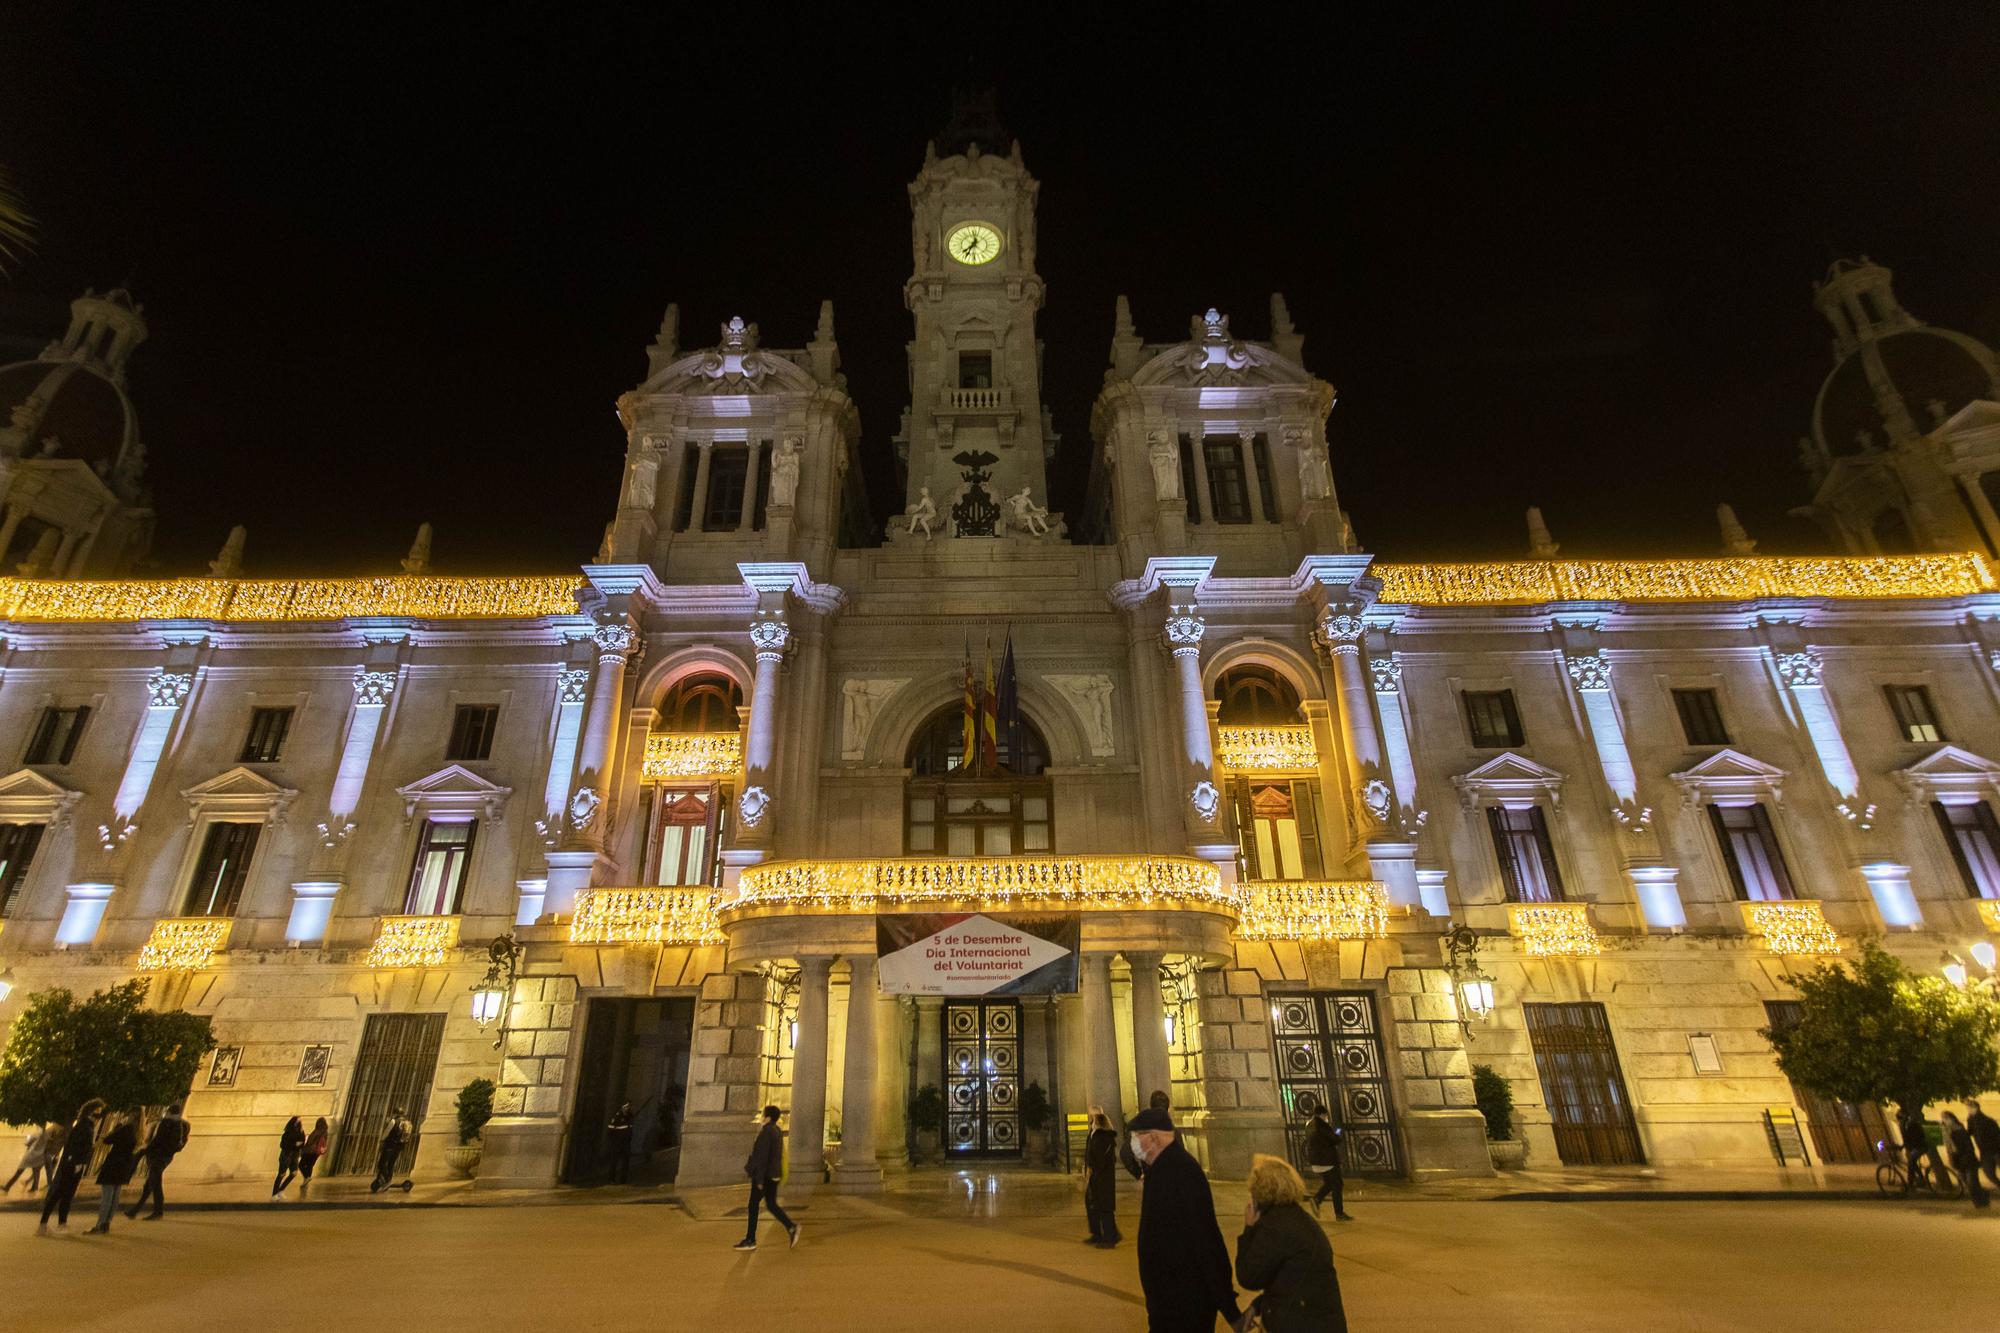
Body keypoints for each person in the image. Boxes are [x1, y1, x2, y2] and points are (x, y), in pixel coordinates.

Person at [1130, 1106, 1241, 1333]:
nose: (1133, 1143)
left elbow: (1206, 1240)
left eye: (1136, 1136)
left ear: (1152, 1138)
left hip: (1185, 1302)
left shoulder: (1183, 1172)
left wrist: (1229, 1308)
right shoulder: (1159, 1170)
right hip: (1166, 1302)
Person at [1235, 1154, 1348, 1332]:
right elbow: (1293, 1282)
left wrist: (1248, 1230)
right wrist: (1258, 1306)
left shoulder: (1274, 1226)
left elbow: (1248, 1277)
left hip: (1298, 1324)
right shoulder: (1300, 1219)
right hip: (1319, 1321)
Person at [734, 1104, 797, 1252]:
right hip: (773, 1174)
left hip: (764, 1176)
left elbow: (761, 1157)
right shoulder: (777, 1131)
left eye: (763, 1114)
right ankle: (791, 1227)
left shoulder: (766, 1132)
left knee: (753, 1205)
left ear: (767, 1117)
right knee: (771, 1204)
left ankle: (750, 1239)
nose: (761, 1117)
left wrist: (760, 1180)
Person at [37, 1100, 100, 1235]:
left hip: (73, 1164)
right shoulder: (85, 1127)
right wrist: (78, 1162)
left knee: (62, 1194)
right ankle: (52, 1225)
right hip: (74, 1165)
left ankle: (54, 1224)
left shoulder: (83, 1126)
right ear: (92, 1113)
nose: (98, 1118)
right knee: (63, 1193)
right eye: (98, 1113)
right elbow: (77, 1146)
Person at [127, 1102, 189, 1220]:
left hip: (157, 1156)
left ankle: (158, 1211)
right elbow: (182, 1142)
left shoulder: (166, 1122)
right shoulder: (184, 1124)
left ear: (168, 1111)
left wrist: (145, 1150)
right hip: (167, 1156)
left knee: (155, 1183)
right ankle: (135, 1210)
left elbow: (158, 1140)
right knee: (150, 1183)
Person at [85, 1108, 139, 1234]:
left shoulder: (126, 1129)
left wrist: (115, 1130)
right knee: (115, 1196)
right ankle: (107, 1223)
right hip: (125, 1165)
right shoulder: (138, 1131)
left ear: (132, 1116)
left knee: (107, 1196)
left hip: (114, 1164)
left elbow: (108, 1140)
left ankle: (100, 1224)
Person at [1083, 1107, 1120, 1248]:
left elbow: (1099, 1159)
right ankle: (1102, 1234)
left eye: (1092, 1117)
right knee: (1095, 1205)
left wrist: (1092, 1169)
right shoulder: (1096, 1135)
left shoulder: (1101, 1137)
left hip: (1101, 1178)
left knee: (1104, 1207)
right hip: (1099, 1177)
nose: (1090, 1119)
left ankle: (1110, 1237)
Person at [1304, 1108, 1350, 1221]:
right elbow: (1335, 1139)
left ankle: (1316, 1200)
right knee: (1337, 1185)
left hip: (1316, 1160)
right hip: (1327, 1160)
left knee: (1329, 1184)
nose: (1326, 1117)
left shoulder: (1309, 1124)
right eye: (1325, 1115)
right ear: (1322, 1114)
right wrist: (1338, 1132)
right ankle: (1339, 1213)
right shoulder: (1322, 1125)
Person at [1941, 1111, 1989, 1209]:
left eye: (1946, 1118)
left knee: (1972, 1183)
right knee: (1966, 1181)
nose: (1945, 1120)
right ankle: (1983, 1196)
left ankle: (1979, 1203)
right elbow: (1948, 1146)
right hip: (1957, 1158)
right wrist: (1951, 1158)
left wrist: (1969, 1156)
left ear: (1952, 1118)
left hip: (1967, 1158)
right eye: (1943, 1118)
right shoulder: (1945, 1130)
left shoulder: (1960, 1129)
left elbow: (1968, 1146)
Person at [1123, 1090, 1173, 1179]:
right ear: (1168, 1108)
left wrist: (1138, 1173)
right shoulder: (1174, 1132)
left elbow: (1125, 1153)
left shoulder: (1141, 1131)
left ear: (1151, 1106)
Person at [1898, 1102, 1946, 1192]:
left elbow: (1910, 1138)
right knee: (1912, 1161)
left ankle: (1910, 1185)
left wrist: (1903, 1146)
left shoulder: (1909, 1124)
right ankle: (1920, 1179)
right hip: (1919, 1146)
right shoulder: (1909, 1123)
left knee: (1911, 1163)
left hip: (1919, 1147)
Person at [4, 1121, 53, 1193]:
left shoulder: (36, 1134)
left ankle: (7, 1186)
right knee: (36, 1171)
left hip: (30, 1155)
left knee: (19, 1171)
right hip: (39, 1155)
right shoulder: (46, 1134)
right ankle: (34, 1187)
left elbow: (27, 1143)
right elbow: (49, 1143)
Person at [370, 1108, 407, 1193]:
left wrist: (381, 1140)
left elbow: (386, 1132)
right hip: (398, 1147)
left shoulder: (394, 1121)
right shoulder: (405, 1122)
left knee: (381, 1164)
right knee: (391, 1164)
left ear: (395, 1113)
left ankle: (387, 1181)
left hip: (390, 1145)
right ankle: (388, 1181)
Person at [1966, 1100, 2000, 1190]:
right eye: (1968, 1108)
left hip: (1995, 1150)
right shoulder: (1971, 1120)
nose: (1968, 1110)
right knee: (1988, 1173)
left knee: (1989, 1172)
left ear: (1976, 1108)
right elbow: (1969, 1133)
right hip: (1985, 1152)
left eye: (1970, 1108)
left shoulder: (1988, 1121)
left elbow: (1997, 1135)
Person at [273, 1116, 306, 1196]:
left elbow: (302, 1142)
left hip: (295, 1155)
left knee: (294, 1173)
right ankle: (274, 1194)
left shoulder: (301, 1132)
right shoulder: (287, 1133)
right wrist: (295, 1144)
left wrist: (300, 1142)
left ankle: (281, 1190)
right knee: (282, 1174)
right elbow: (283, 1145)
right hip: (286, 1155)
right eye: (298, 1122)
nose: (299, 1124)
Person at [605, 1102, 635, 1185]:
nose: (627, 1108)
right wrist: (612, 1141)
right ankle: (611, 1179)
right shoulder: (617, 1116)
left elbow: (630, 1129)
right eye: (626, 1107)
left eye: (629, 1106)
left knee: (625, 1162)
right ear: (622, 1107)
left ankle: (623, 1180)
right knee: (614, 1161)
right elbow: (610, 1129)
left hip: (626, 1143)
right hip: (617, 1143)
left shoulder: (630, 1116)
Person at [299, 1117, 330, 1196]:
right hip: (317, 1152)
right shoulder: (325, 1132)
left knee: (301, 1165)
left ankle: (306, 1177)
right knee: (310, 1166)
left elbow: (310, 1140)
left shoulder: (317, 1131)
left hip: (310, 1151)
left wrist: (304, 1146)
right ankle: (306, 1180)